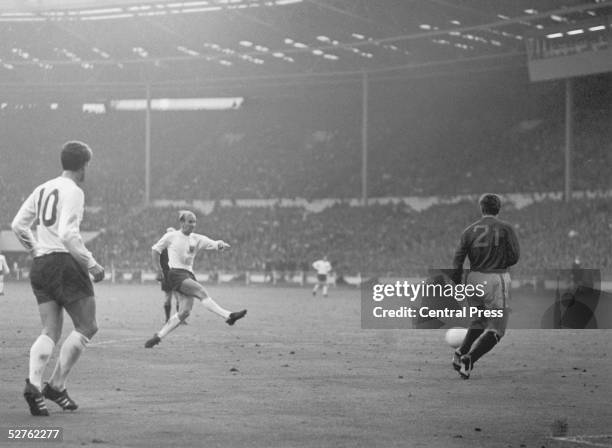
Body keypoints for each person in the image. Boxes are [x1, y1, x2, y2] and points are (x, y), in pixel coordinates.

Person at [11, 141, 105, 416]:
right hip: (65, 263)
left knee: (50, 331)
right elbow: (67, 234)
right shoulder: (74, 191)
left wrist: (36, 250)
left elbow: (18, 225)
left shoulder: (43, 188)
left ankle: (35, 385)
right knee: (87, 326)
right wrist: (92, 262)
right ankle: (56, 385)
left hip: (41, 265)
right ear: (84, 165)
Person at [144, 210, 246, 348]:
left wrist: (220, 244)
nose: (193, 224)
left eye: (194, 222)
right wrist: (158, 270)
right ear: (182, 222)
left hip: (188, 274)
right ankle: (229, 316)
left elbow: (213, 243)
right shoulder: (171, 236)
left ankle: (158, 336)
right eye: (190, 221)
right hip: (175, 274)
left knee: (185, 312)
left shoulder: (196, 238)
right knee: (201, 292)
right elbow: (155, 250)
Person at [450, 193, 520, 379]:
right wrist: (499, 260)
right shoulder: (506, 228)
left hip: (474, 279)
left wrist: (457, 285)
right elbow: (514, 257)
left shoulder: (468, 231)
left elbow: (457, 262)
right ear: (499, 209)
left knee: (479, 320)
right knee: (497, 329)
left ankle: (460, 352)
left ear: (482, 209)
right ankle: (469, 358)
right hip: (496, 278)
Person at [158, 227, 181, 323]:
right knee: (169, 297)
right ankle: (168, 318)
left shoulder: (177, 248)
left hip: (175, 276)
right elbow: (159, 262)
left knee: (178, 298)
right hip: (167, 276)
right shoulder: (162, 248)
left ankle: (179, 318)